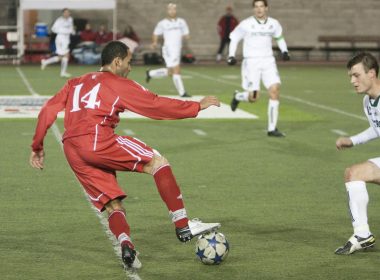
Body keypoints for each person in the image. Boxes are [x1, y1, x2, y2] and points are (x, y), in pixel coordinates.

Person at [29, 41, 221, 269]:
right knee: (157, 162)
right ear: (117, 61)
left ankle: (126, 245)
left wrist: (37, 145)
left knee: (112, 204)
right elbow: (154, 105)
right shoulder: (117, 83)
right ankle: (182, 224)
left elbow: (48, 109)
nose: (130, 68)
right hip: (98, 138)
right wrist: (195, 107)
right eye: (129, 62)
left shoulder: (75, 82)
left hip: (71, 148)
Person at [334, 52, 380, 255]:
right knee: (353, 174)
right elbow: (376, 128)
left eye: (356, 75)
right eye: (350, 77)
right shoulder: (368, 102)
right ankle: (362, 235)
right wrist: (352, 141)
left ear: (371, 73)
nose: (353, 81)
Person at [227, 0, 290, 137]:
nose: (259, 9)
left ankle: (272, 129)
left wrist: (284, 51)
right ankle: (238, 96)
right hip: (251, 63)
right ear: (253, 9)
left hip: (268, 61)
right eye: (256, 7)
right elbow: (234, 38)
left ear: (266, 8)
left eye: (261, 6)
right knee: (254, 97)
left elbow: (279, 37)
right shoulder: (246, 24)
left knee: (275, 90)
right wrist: (231, 55)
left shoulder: (274, 23)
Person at [146, 3, 191, 97]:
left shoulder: (181, 22)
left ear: (176, 10)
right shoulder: (162, 23)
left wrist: (187, 36)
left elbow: (186, 34)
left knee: (171, 72)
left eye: (174, 9)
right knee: (176, 70)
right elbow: (155, 33)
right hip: (169, 50)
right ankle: (182, 93)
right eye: (170, 9)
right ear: (167, 11)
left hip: (177, 50)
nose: (172, 11)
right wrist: (154, 42)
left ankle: (151, 73)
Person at [41, 8, 74, 78]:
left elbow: (71, 28)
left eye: (68, 12)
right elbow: (53, 29)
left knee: (61, 57)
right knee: (66, 55)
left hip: (66, 39)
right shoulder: (59, 20)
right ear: (63, 13)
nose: (67, 13)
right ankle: (63, 72)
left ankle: (45, 62)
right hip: (60, 39)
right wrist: (63, 31)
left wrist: (72, 31)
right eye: (66, 12)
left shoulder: (70, 19)